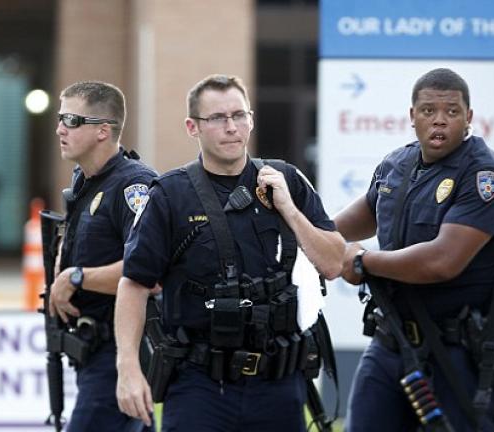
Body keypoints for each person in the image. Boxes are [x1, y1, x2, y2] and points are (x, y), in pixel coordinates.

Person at [114, 74, 345, 431]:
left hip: (277, 383)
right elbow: (134, 284)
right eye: (218, 118)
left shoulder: (286, 180)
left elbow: (333, 263)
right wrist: (127, 366)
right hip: (199, 386)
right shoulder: (170, 195)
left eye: (240, 115)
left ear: (251, 119)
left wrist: (289, 210)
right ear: (193, 127)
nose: (231, 127)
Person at [334, 68, 494, 431]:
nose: (439, 120)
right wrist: (296, 227)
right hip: (391, 343)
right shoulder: (395, 165)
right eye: (428, 110)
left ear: (468, 118)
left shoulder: (486, 177)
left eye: (451, 111)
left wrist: (363, 261)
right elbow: (351, 222)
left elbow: (441, 262)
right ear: (412, 116)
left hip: (459, 353)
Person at [50, 80, 157, 432]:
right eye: (60, 118)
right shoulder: (85, 180)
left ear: (103, 131)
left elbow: (153, 272)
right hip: (91, 351)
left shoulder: (134, 187)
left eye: (72, 120)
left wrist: (76, 277)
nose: (60, 128)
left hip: (119, 353)